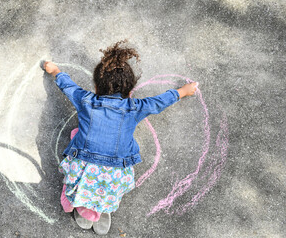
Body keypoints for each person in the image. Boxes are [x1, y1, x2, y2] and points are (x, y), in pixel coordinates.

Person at [40, 40, 198, 235]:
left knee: (80, 157)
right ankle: (102, 206)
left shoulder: (86, 100)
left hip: (85, 167)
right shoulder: (135, 107)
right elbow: (159, 102)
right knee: (108, 187)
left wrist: (54, 70)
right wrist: (183, 91)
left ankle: (82, 205)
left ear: (96, 87)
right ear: (129, 91)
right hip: (115, 174)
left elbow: (68, 86)